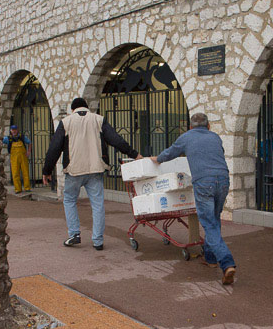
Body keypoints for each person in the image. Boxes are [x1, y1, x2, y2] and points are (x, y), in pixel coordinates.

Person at [42, 97, 142, 250]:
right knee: (97, 205)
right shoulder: (98, 120)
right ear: (87, 107)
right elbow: (116, 140)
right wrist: (134, 154)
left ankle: (74, 234)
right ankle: (98, 241)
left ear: (72, 109)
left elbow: (54, 148)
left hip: (74, 170)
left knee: (69, 200)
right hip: (96, 169)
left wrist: (46, 171)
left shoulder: (66, 122)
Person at [150, 113, 237, 285]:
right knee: (214, 219)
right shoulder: (215, 137)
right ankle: (211, 258)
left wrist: (156, 159)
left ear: (190, 127)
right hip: (223, 180)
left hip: (204, 183)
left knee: (209, 223)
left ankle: (227, 263)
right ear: (209, 126)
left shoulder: (187, 137)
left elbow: (170, 153)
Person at [3, 124, 31, 194]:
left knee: (25, 172)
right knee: (15, 173)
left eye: (15, 130)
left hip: (23, 157)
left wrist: (28, 152)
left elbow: (29, 142)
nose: (14, 131)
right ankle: (17, 189)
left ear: (17, 130)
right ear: (11, 130)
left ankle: (27, 188)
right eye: (13, 130)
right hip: (14, 158)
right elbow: (0, 141)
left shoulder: (22, 137)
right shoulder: (7, 138)